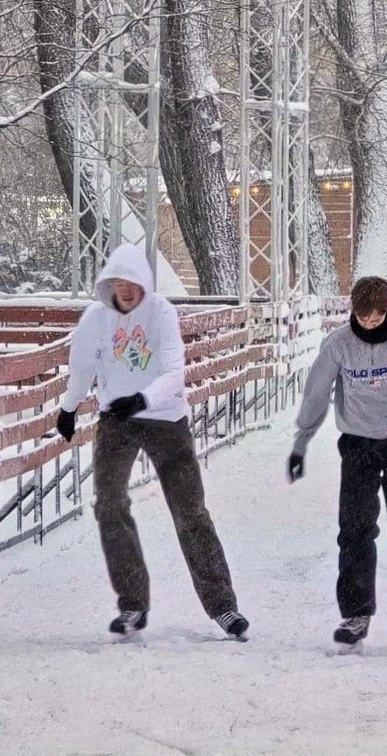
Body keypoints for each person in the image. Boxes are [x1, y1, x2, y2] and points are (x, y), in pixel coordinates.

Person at [56, 244, 249, 639]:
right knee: (109, 505)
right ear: (109, 285)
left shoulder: (161, 312)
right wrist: (69, 407)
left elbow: (174, 372)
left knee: (191, 511)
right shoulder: (95, 319)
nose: (126, 291)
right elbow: (82, 365)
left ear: (145, 284)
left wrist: (141, 399)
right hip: (117, 420)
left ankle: (223, 607)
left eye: (133, 283)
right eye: (118, 283)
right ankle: (132, 604)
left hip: (165, 418)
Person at [285, 277, 387, 646]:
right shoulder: (338, 345)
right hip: (358, 446)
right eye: (362, 319)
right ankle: (356, 614)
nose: (369, 325)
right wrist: (301, 442)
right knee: (355, 531)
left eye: (375, 319)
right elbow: (316, 394)